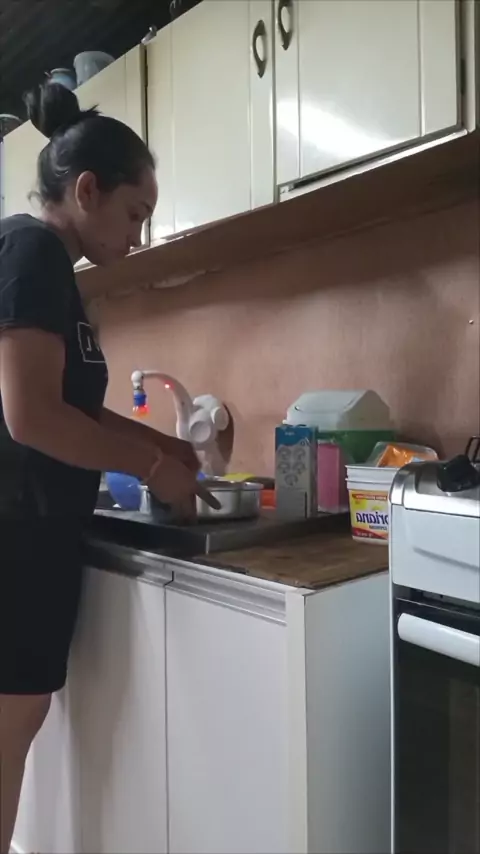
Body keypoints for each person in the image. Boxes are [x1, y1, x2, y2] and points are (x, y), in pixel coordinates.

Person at [0, 82, 199, 853]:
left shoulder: (47, 263)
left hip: (30, 531)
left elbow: (71, 408)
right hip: (15, 531)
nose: (138, 237)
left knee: (14, 726)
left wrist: (167, 449)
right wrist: (150, 464)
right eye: (134, 213)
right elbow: (31, 415)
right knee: (9, 729)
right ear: (87, 190)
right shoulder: (33, 253)